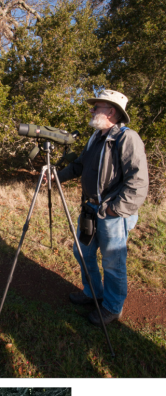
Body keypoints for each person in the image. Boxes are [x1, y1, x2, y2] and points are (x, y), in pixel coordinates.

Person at [55, 88, 148, 326]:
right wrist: (55, 177)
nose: (92, 109)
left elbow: (138, 182)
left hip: (112, 215)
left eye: (97, 106)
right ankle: (93, 293)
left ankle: (112, 307)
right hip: (90, 210)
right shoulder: (95, 137)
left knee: (112, 263)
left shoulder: (127, 138)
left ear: (113, 112)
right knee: (82, 252)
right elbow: (78, 166)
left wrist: (113, 210)